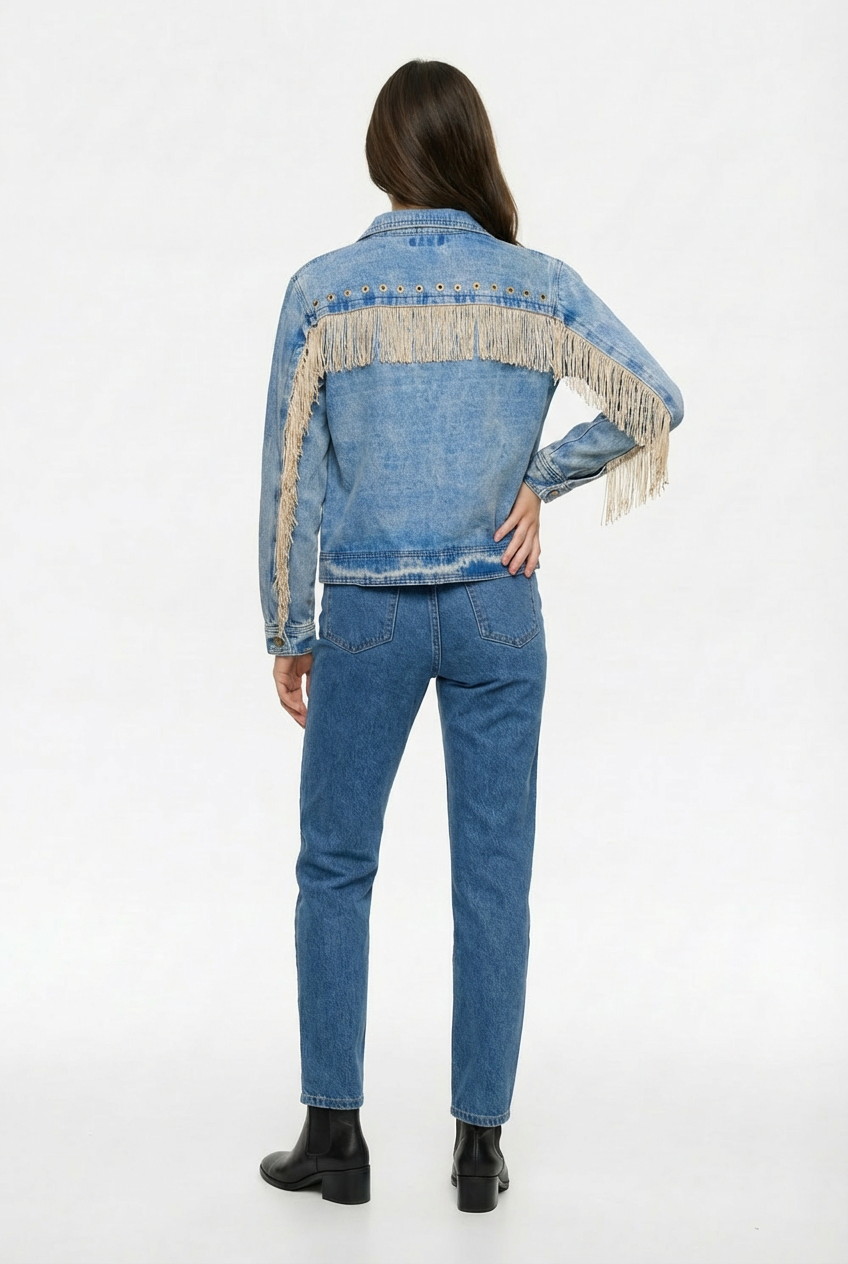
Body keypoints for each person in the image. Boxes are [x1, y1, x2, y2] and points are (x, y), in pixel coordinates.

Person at [257, 59, 684, 1213]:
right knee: (493, 879)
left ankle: (334, 1135)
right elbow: (651, 400)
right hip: (498, 604)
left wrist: (288, 624)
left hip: (366, 613)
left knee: (335, 864)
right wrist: (537, 481)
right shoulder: (534, 285)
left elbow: (291, 474)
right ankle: (478, 1149)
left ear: (383, 153)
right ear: (471, 149)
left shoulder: (324, 291)